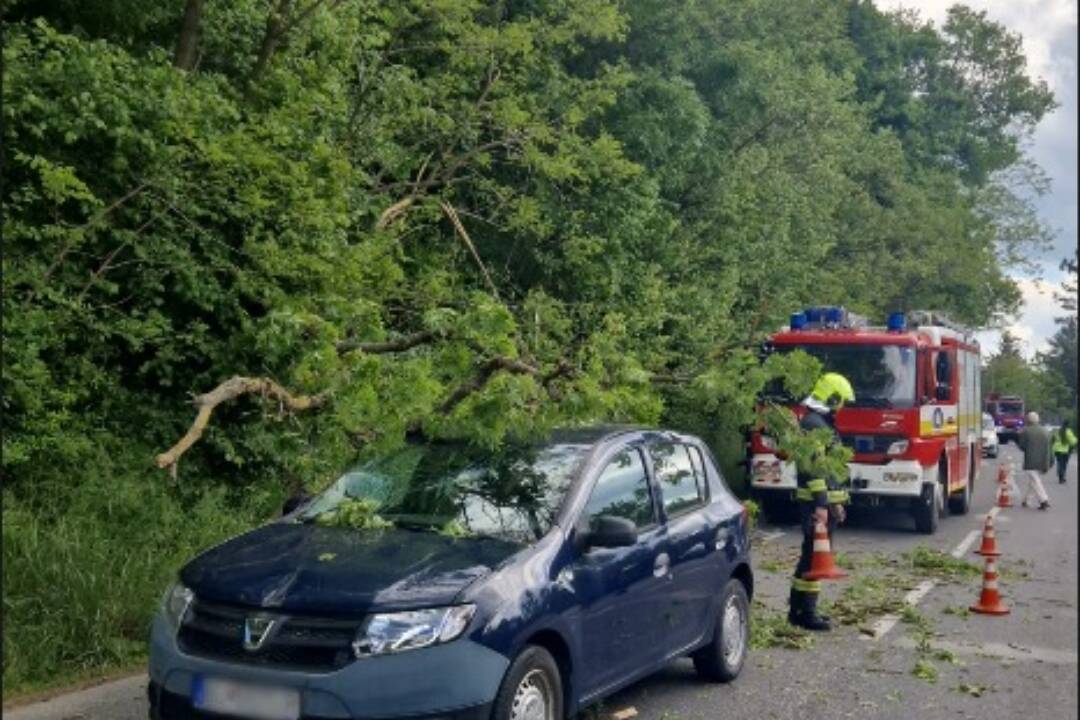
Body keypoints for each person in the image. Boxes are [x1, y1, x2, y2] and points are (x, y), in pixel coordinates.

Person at [789, 371, 853, 632]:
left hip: (822, 502)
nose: (843, 407)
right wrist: (821, 505)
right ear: (834, 397)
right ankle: (804, 613)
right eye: (842, 401)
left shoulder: (818, 422)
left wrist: (835, 501)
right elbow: (814, 470)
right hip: (816, 503)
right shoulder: (816, 426)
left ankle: (801, 610)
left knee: (812, 556)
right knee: (813, 558)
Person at [1017, 411, 1053, 510]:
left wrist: (1019, 437)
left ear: (1028, 420)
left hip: (1031, 461)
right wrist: (1051, 461)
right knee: (1033, 481)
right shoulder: (1046, 431)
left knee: (1036, 481)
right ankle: (1026, 500)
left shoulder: (1026, 431)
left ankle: (1044, 500)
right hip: (1044, 460)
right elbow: (1050, 448)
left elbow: (1022, 446)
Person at [1052, 420, 1077, 484]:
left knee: (1059, 463)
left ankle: (1060, 475)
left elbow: (1053, 439)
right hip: (1065, 450)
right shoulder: (1068, 432)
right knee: (1064, 464)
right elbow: (1073, 441)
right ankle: (1062, 477)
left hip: (1057, 450)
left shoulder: (1057, 431)